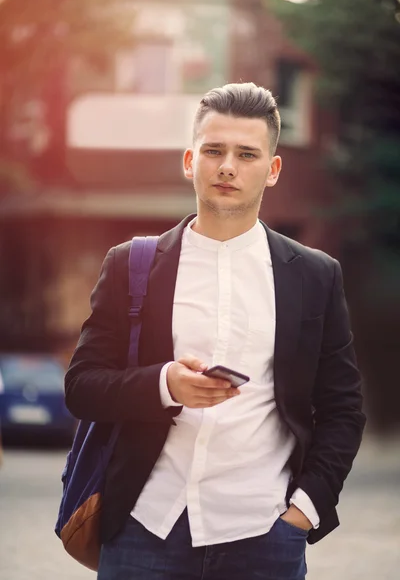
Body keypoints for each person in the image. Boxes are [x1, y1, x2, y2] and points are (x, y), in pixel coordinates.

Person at [65, 82, 366, 580]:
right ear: (190, 160)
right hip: (144, 528)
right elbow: (80, 388)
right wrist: (165, 385)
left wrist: (305, 511)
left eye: (247, 154)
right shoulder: (130, 265)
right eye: (214, 150)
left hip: (264, 534)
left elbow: (342, 407)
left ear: (271, 170)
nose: (228, 166)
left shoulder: (314, 274)